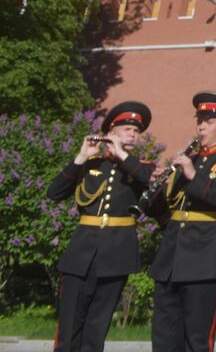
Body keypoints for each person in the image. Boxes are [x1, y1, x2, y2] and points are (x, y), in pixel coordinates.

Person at [147, 92, 216, 352]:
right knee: (164, 339)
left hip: (206, 259)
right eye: (200, 120)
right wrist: (156, 190)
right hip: (172, 258)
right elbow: (166, 214)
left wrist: (193, 175)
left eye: (210, 120)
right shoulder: (189, 159)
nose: (202, 126)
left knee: (197, 340)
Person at [47, 101, 154, 352]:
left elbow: (149, 181)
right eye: (127, 128)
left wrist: (122, 155)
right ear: (110, 132)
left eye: (136, 131)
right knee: (69, 326)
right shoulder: (90, 164)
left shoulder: (141, 168)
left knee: (97, 328)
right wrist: (81, 157)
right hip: (81, 254)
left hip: (116, 255)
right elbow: (54, 193)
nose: (133, 134)